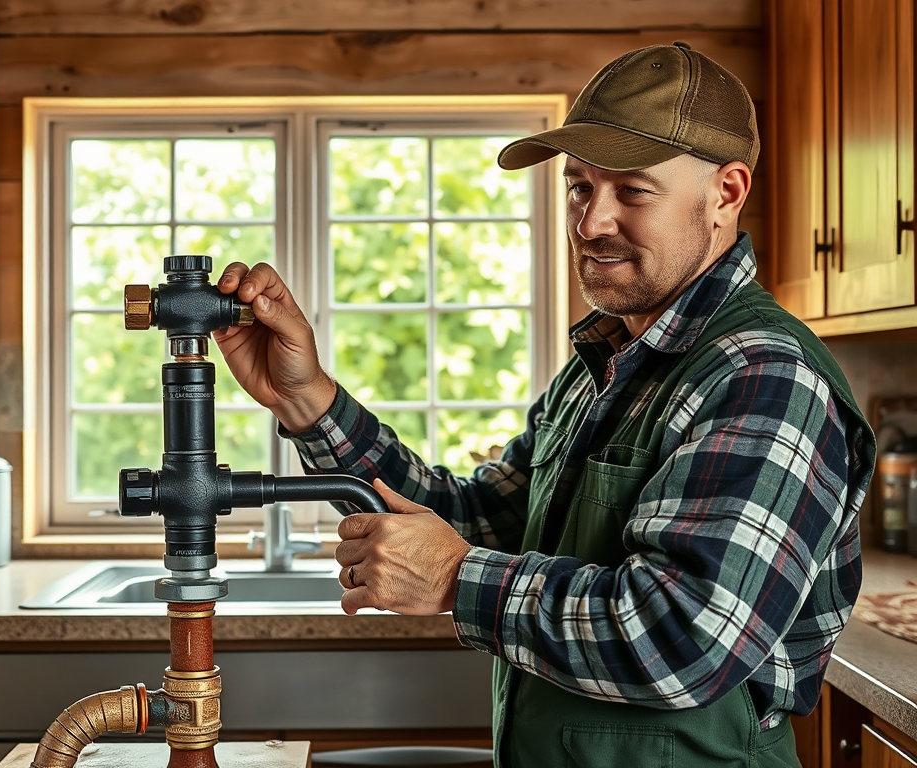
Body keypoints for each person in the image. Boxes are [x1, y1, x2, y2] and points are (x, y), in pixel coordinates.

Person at [213, 42, 876, 768]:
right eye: (579, 187)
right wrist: (307, 399)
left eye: (633, 191)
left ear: (726, 192)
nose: (592, 222)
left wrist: (456, 578)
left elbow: (681, 638)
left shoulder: (763, 377)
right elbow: (473, 519)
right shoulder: (604, 367)